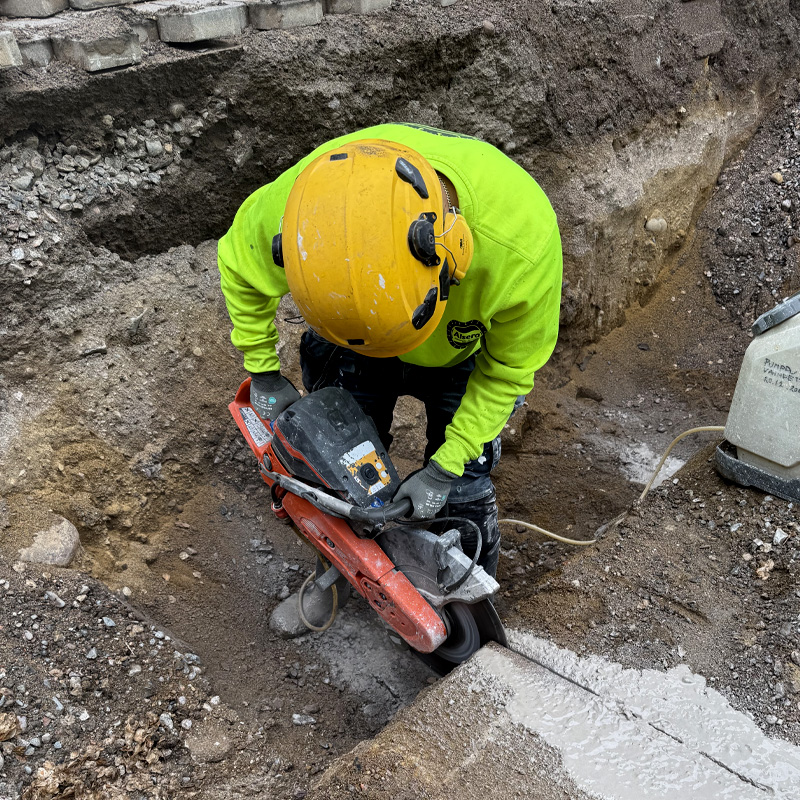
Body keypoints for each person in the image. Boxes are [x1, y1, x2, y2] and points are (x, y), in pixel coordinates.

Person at [217, 123, 562, 583]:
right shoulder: (308, 202)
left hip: (462, 355)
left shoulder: (521, 247)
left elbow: (507, 371)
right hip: (349, 333)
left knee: (461, 491)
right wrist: (262, 370)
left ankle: (462, 603)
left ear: (456, 254)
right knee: (336, 468)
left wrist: (446, 470)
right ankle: (344, 573)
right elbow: (240, 262)